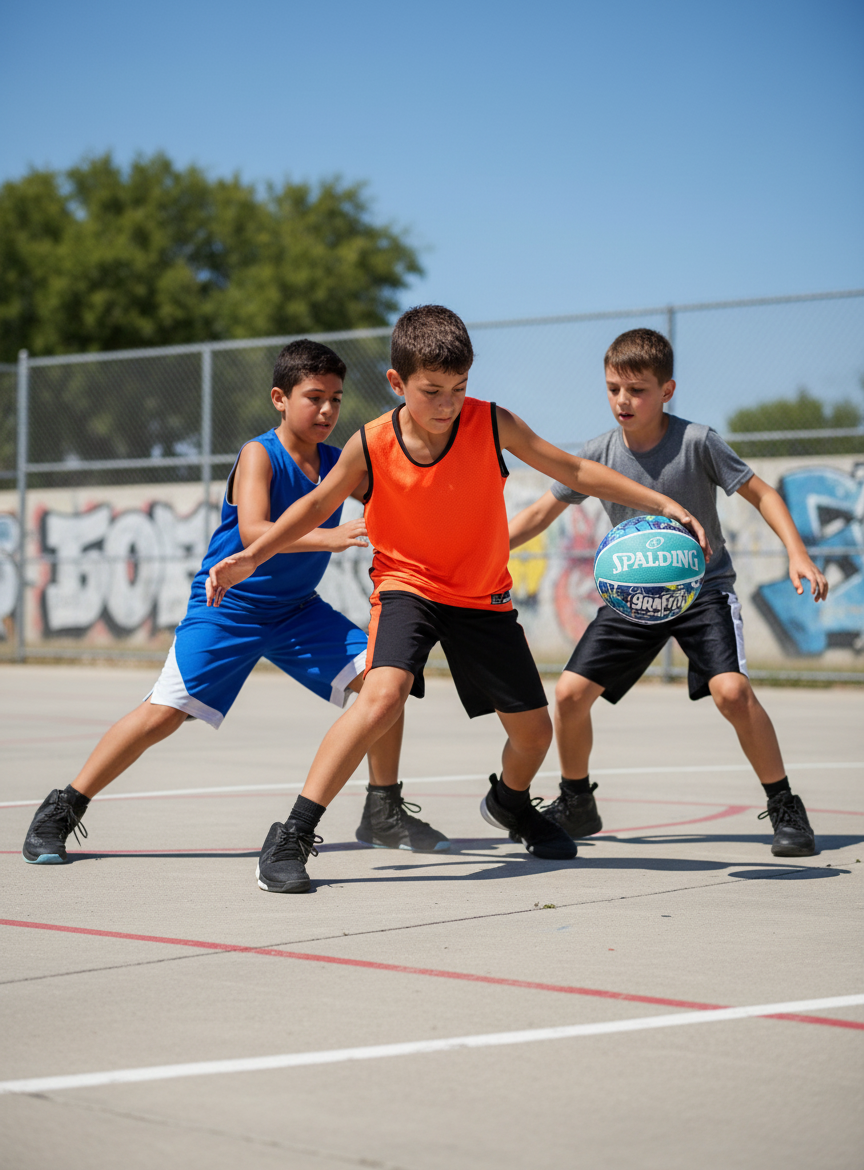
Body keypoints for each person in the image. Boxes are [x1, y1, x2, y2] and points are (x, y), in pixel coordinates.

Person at [207, 306, 711, 893]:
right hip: (408, 585)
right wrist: (252, 554)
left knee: (534, 735)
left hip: (481, 595)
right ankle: (292, 834)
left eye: (459, 389)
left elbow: (574, 467)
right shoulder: (371, 443)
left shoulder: (492, 424)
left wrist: (663, 503)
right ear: (397, 383)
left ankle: (511, 803)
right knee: (381, 695)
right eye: (432, 391)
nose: (447, 404)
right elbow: (316, 507)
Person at [22, 339, 449, 873]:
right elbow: (255, 530)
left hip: (298, 611)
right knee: (163, 714)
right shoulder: (258, 454)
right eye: (314, 397)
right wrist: (332, 536)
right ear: (279, 397)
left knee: (387, 681)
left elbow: (403, 496)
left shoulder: (340, 462)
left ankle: (382, 809)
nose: (327, 411)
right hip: (230, 607)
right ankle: (62, 808)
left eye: (336, 400)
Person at [507, 327, 828, 858]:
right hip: (632, 597)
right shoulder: (598, 453)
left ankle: (785, 806)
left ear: (667, 390)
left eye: (636, 390)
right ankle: (577, 800)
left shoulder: (697, 441)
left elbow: (762, 491)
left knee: (732, 693)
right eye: (613, 389)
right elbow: (540, 513)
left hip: (701, 591)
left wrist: (797, 551)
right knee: (567, 695)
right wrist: (485, 550)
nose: (622, 401)